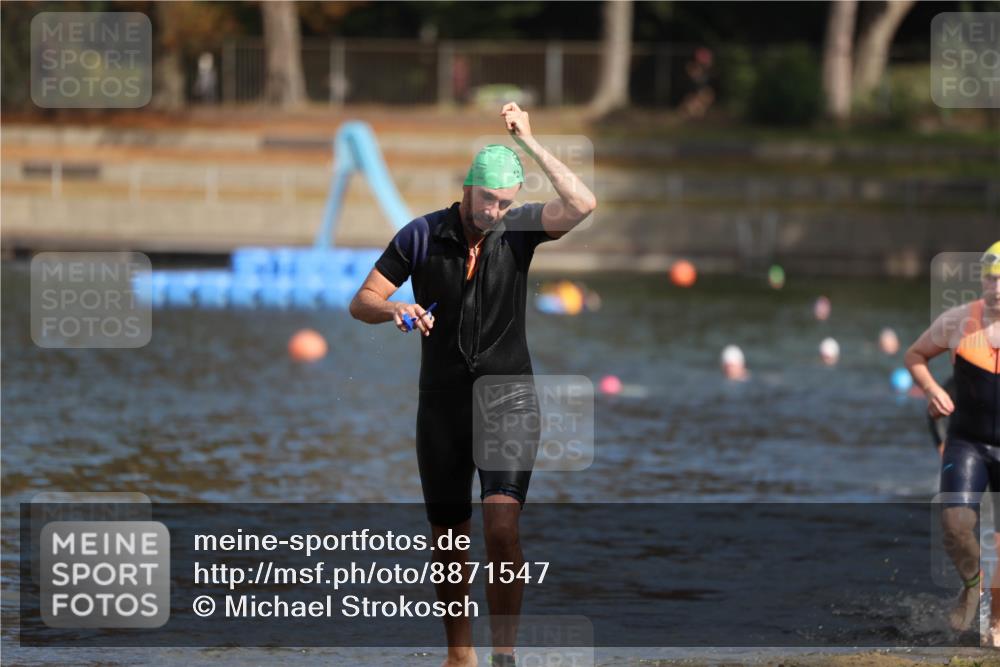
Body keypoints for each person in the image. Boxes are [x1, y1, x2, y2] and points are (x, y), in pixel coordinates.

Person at [349, 102, 596, 667]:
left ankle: (504, 655)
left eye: (504, 202)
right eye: (487, 199)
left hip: (508, 400)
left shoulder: (521, 232)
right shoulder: (419, 236)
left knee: (501, 526)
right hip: (440, 407)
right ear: (466, 189)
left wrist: (530, 141)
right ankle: (460, 656)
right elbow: (361, 300)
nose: (494, 211)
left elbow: (583, 203)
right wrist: (395, 311)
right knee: (448, 540)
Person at [905, 241, 1000, 640]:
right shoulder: (959, 321)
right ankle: (971, 584)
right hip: (968, 442)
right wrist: (930, 390)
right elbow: (914, 355)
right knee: (955, 524)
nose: (995, 286)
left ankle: (997, 622)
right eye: (990, 277)